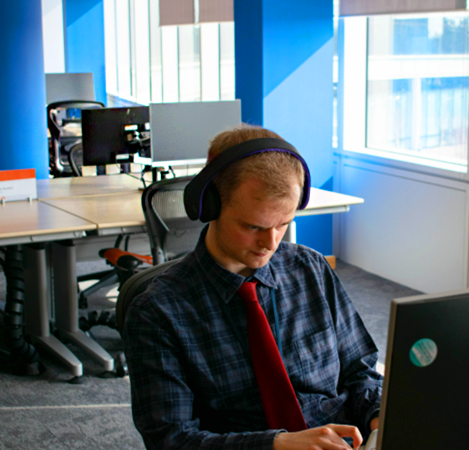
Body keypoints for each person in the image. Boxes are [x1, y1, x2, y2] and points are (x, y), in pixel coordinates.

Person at [123, 124, 383, 450]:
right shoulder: (158, 312)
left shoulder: (311, 269)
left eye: (283, 224)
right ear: (211, 206)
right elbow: (171, 441)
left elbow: (360, 372)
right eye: (253, 226)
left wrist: (378, 418)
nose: (270, 243)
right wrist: (279, 445)